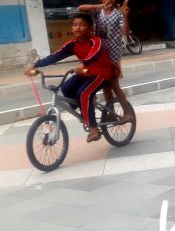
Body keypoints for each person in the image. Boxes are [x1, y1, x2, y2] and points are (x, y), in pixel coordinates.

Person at [23, 14, 114, 143]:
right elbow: (55, 56)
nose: (78, 27)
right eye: (75, 25)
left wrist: (83, 63)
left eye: (82, 25)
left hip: (101, 73)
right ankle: (86, 110)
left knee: (84, 93)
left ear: (90, 28)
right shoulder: (72, 44)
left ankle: (93, 128)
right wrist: (35, 65)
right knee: (66, 87)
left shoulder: (95, 41)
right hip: (85, 73)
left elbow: (94, 54)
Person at [77, 0, 131, 122]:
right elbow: (80, 8)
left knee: (114, 84)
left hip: (113, 56)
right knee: (105, 86)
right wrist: (98, 6)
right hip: (99, 55)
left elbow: (125, 32)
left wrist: (125, 16)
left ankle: (127, 113)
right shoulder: (97, 12)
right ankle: (111, 113)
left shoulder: (118, 14)